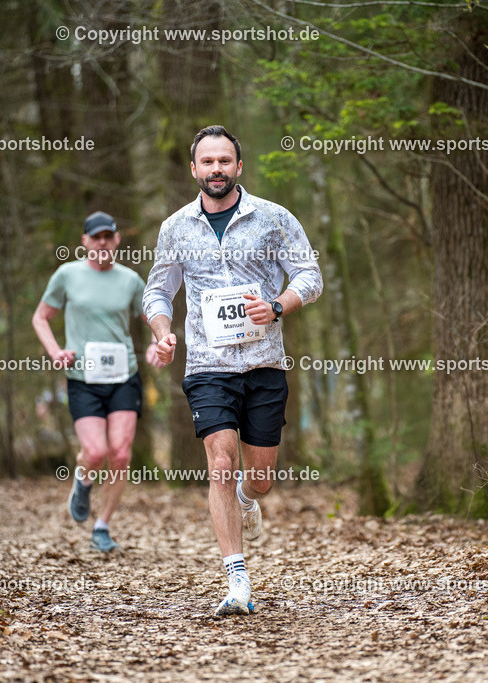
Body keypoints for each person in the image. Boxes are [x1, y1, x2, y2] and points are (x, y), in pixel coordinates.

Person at [144, 125, 322, 616]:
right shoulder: (176, 227)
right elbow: (157, 291)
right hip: (207, 367)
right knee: (220, 464)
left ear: (239, 167)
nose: (216, 169)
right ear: (195, 169)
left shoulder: (273, 218)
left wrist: (279, 305)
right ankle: (237, 579)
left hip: (264, 363)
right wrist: (162, 332)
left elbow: (310, 274)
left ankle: (249, 496)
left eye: (225, 161)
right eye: (208, 162)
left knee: (260, 477)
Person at [33, 211, 165, 553]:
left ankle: (102, 526)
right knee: (95, 452)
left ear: (117, 240)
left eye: (109, 236)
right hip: (83, 377)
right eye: (96, 237)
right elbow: (41, 317)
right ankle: (83, 479)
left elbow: (153, 316)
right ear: (85, 242)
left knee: (120, 455)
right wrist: (55, 351)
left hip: (124, 376)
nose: (103, 242)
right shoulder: (67, 275)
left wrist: (157, 342)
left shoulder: (131, 280)